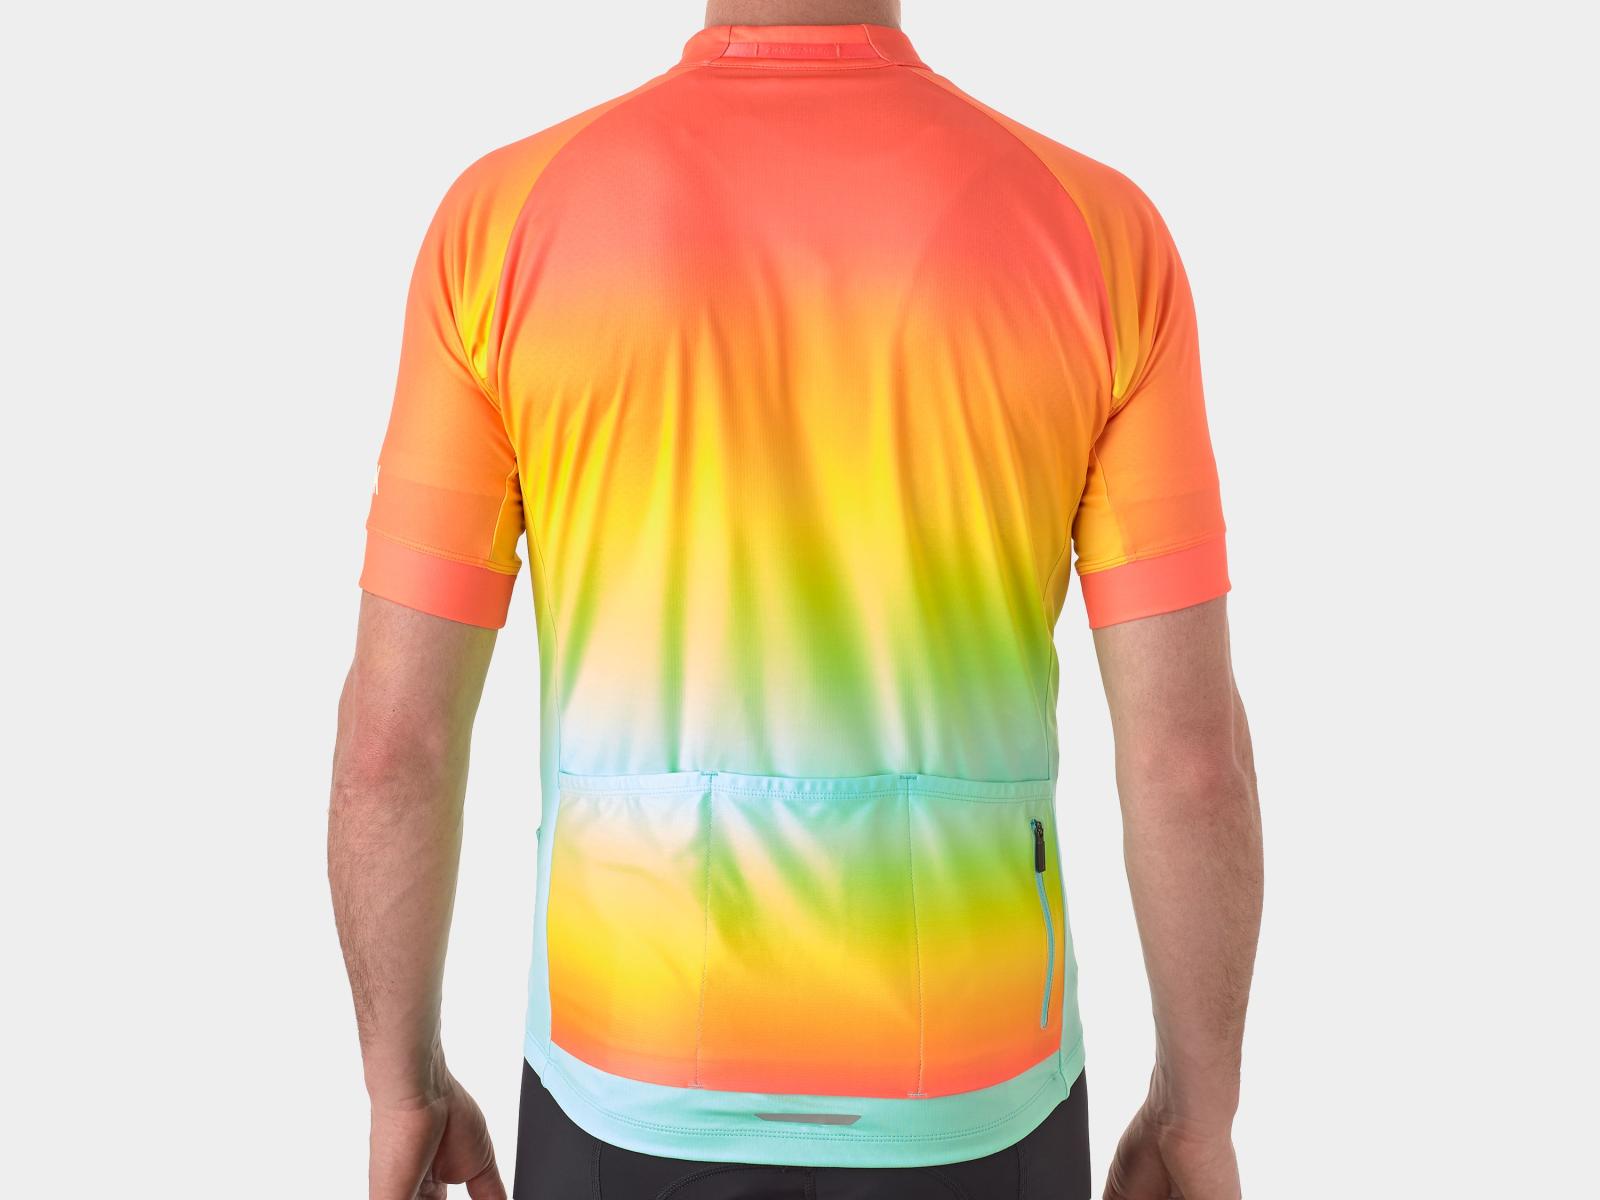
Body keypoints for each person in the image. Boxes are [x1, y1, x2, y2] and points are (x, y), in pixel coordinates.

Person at [328, 1, 1263, 1196]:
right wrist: (1196, 1112)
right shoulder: (1098, 235)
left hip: (627, 1055)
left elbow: (393, 744)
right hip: (973, 1073)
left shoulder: (503, 226)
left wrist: (400, 1085)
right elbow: (1189, 760)